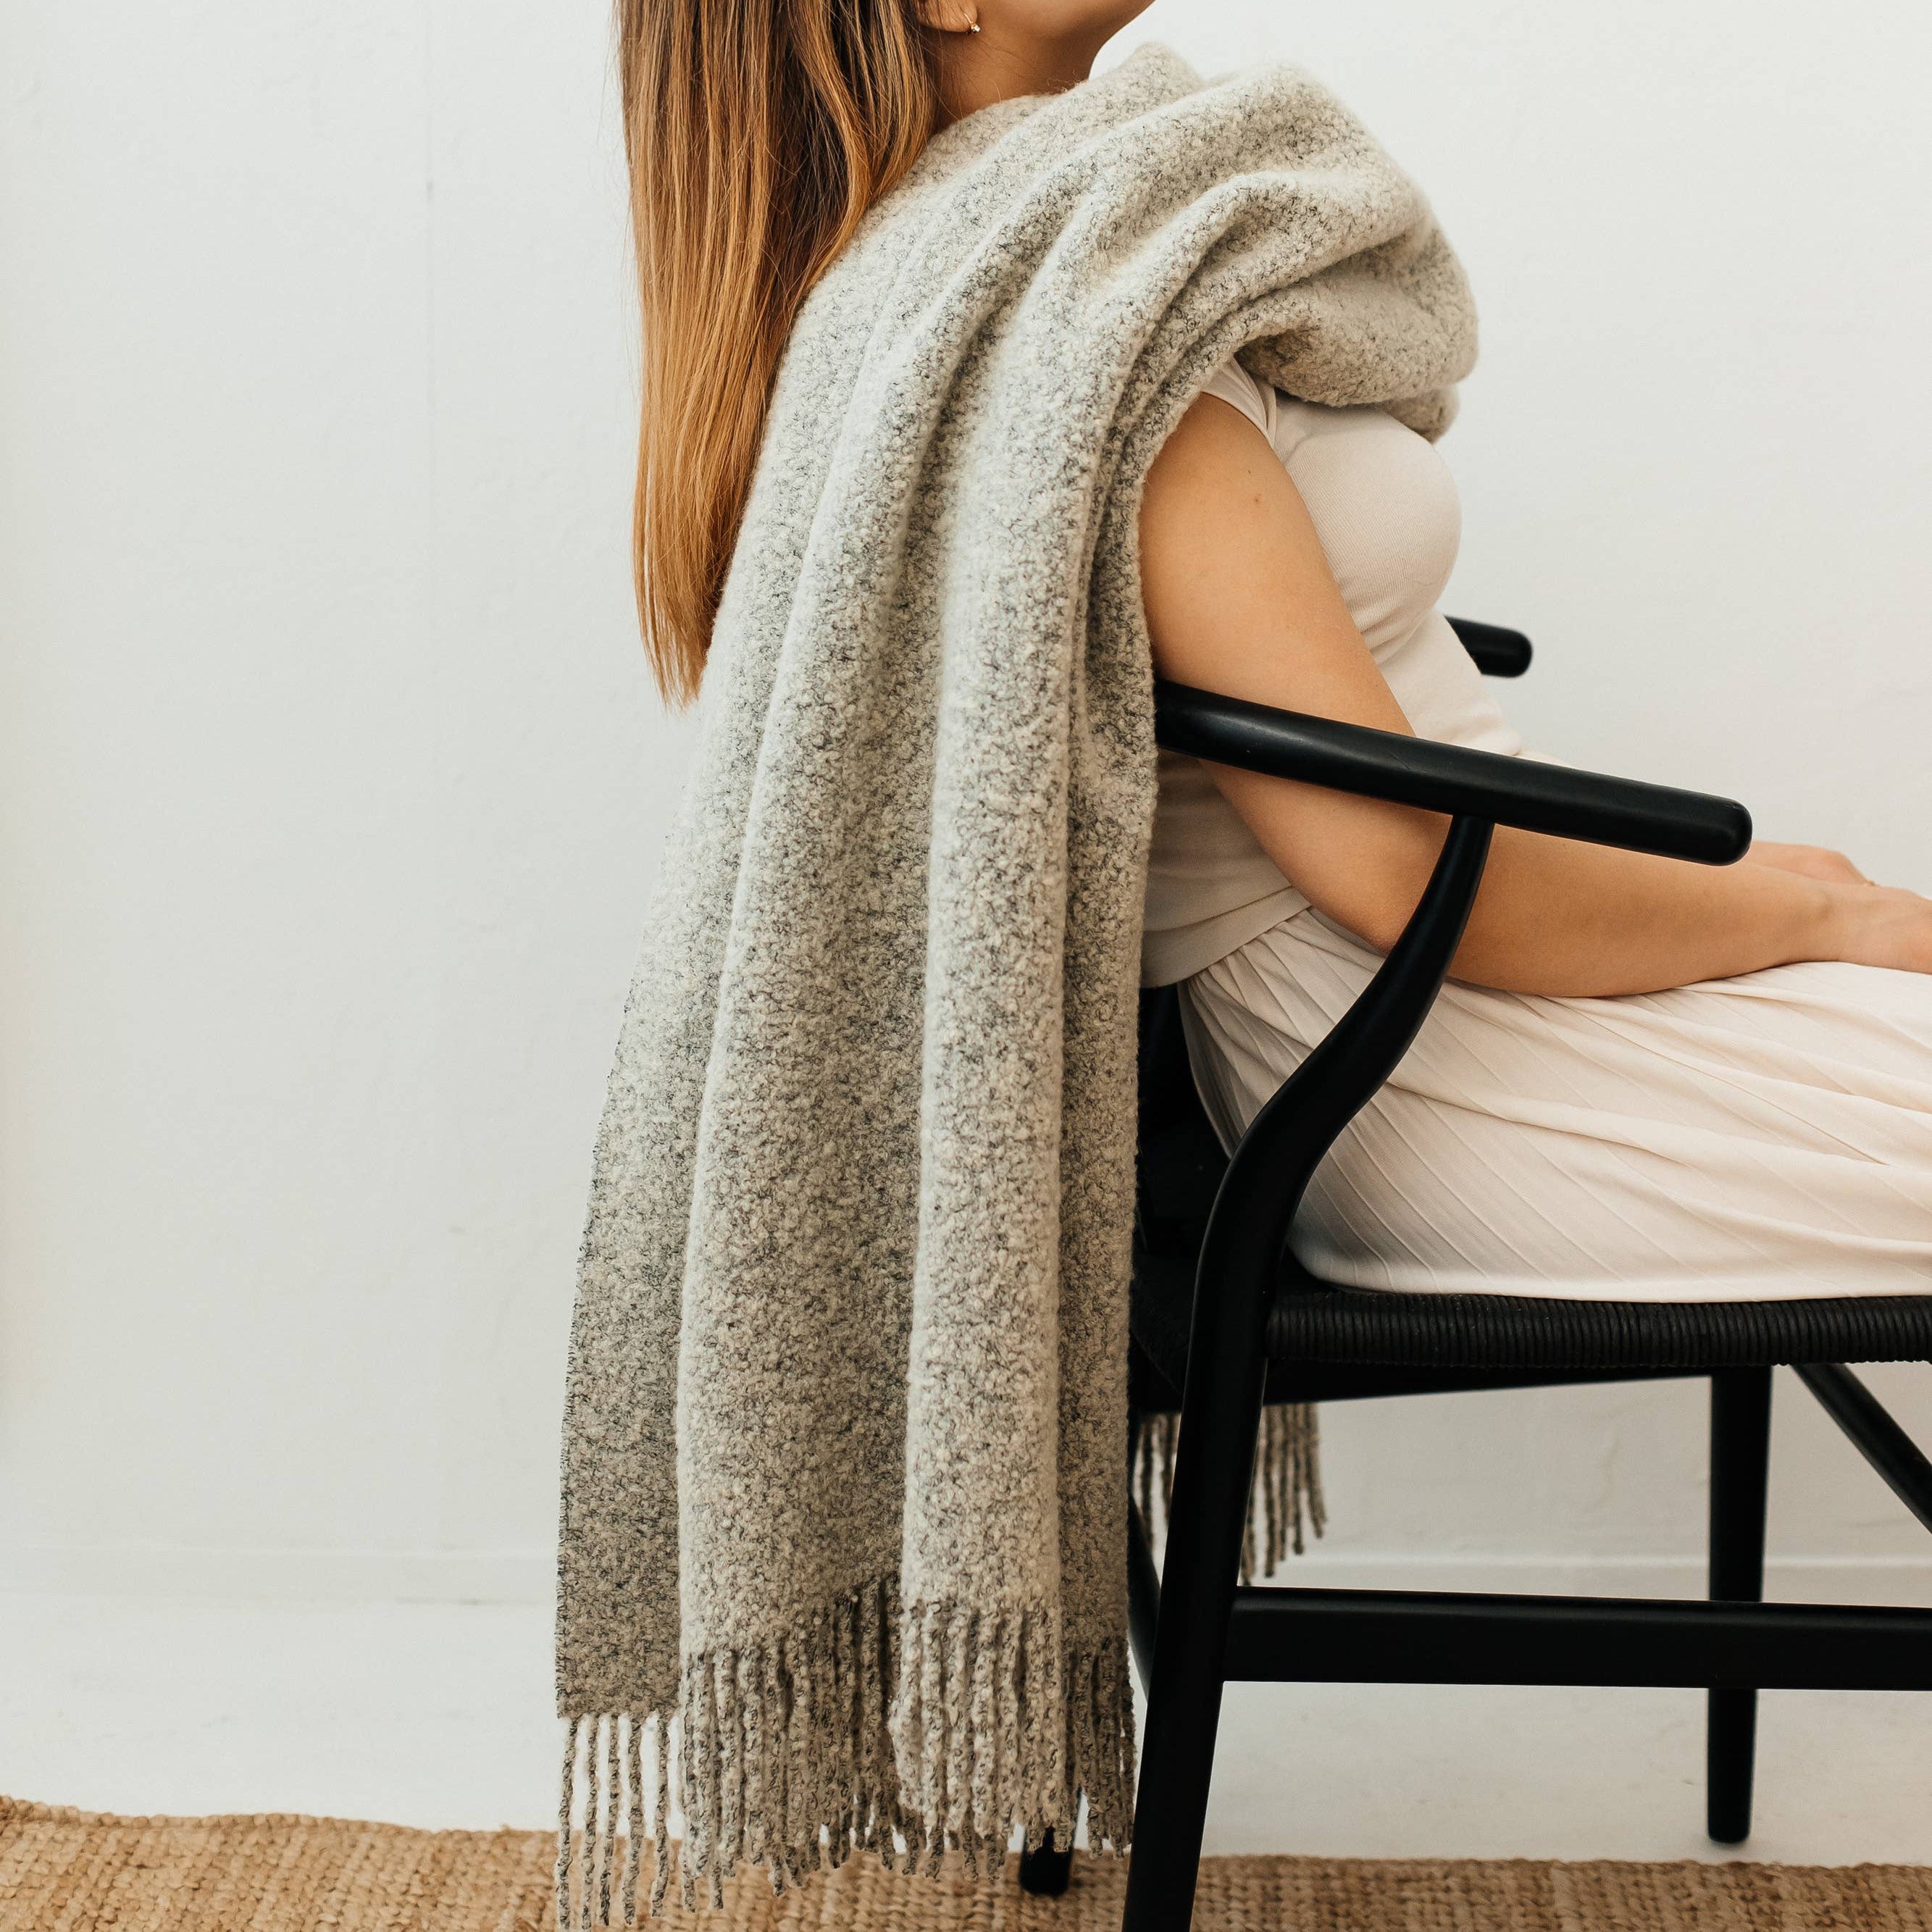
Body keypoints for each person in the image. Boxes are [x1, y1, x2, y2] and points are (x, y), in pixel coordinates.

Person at [625, 0, 1932, 1302]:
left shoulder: (1102, 279)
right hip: (1410, 1046)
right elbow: (1396, 868)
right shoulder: (1089, 346)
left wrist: (1773, 888)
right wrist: (1820, 911)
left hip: (1490, 965)